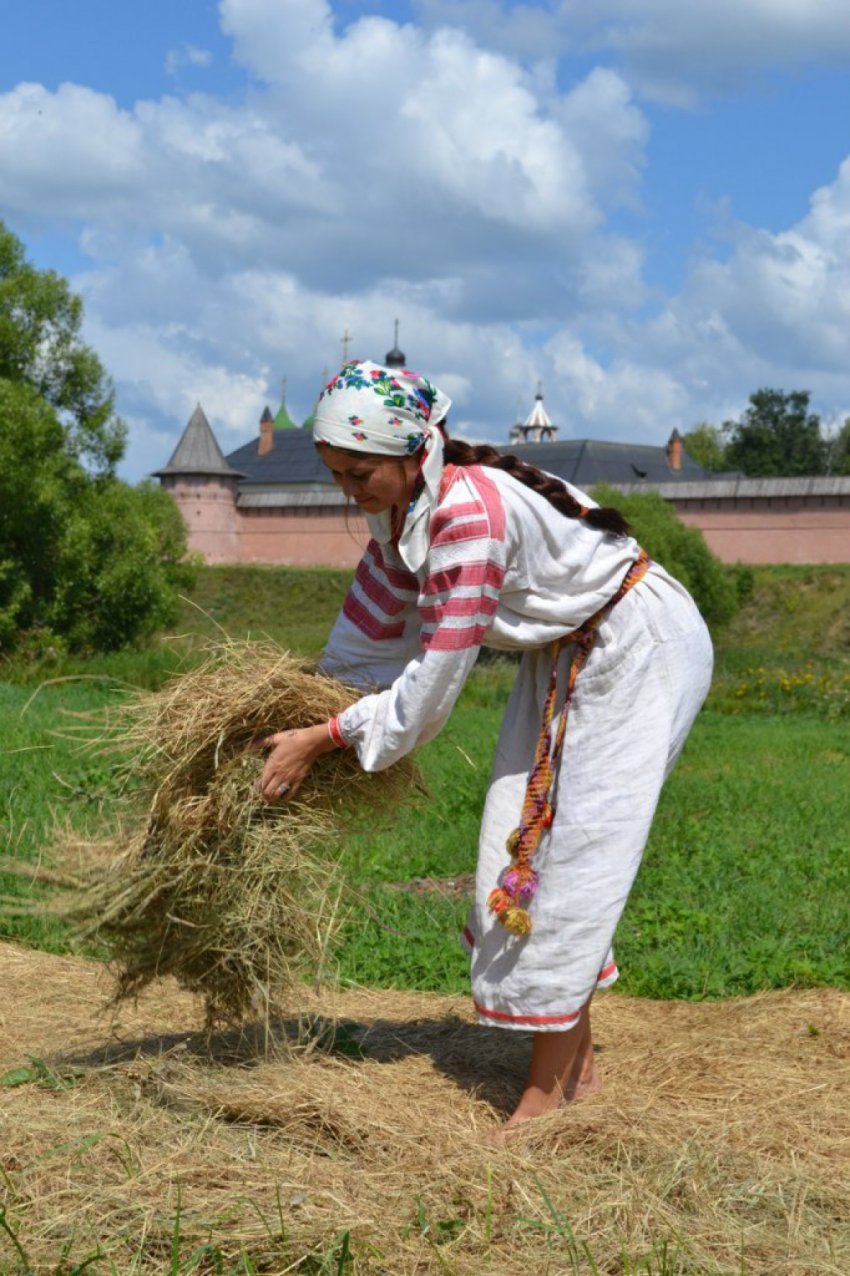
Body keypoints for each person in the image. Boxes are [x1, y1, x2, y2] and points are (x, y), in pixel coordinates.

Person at [259, 359, 713, 1130]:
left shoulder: (467, 518)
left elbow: (433, 687)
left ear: (412, 453)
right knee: (519, 847)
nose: (349, 490)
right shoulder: (402, 511)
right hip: (568, 655)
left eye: (360, 472)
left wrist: (326, 736)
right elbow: (365, 632)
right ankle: (581, 1077)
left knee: (567, 862)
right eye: (337, 474)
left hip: (635, 650)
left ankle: (540, 1105)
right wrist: (301, 699)